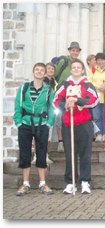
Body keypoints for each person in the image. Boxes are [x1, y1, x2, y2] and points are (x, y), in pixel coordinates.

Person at [53, 59, 98, 194]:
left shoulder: (88, 84)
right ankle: (70, 182)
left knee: (85, 154)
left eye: (79, 67)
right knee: (70, 154)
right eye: (74, 67)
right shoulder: (65, 85)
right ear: (71, 69)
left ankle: (85, 182)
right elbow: (56, 100)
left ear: (82, 70)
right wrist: (65, 105)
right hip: (68, 123)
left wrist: (78, 101)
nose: (76, 69)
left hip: (84, 124)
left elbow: (94, 100)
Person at [13, 62, 55, 196]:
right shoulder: (24, 88)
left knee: (42, 152)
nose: (39, 72)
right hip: (25, 124)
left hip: (42, 124)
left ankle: (42, 183)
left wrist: (49, 123)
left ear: (45, 73)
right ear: (33, 72)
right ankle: (25, 184)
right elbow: (17, 106)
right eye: (36, 69)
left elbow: (52, 108)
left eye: (41, 70)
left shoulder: (48, 90)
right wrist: (18, 122)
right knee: (25, 152)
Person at [53, 41, 86, 152]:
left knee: (76, 117)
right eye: (73, 50)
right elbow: (54, 74)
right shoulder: (64, 61)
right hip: (63, 94)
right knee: (59, 117)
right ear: (69, 51)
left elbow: (84, 79)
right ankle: (61, 142)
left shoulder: (81, 64)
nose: (75, 52)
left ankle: (74, 141)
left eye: (77, 50)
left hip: (76, 94)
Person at [89, 53, 105, 142]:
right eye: (98, 60)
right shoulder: (92, 70)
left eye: (102, 60)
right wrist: (98, 86)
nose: (100, 62)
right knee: (96, 116)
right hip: (96, 97)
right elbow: (90, 82)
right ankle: (99, 133)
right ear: (96, 61)